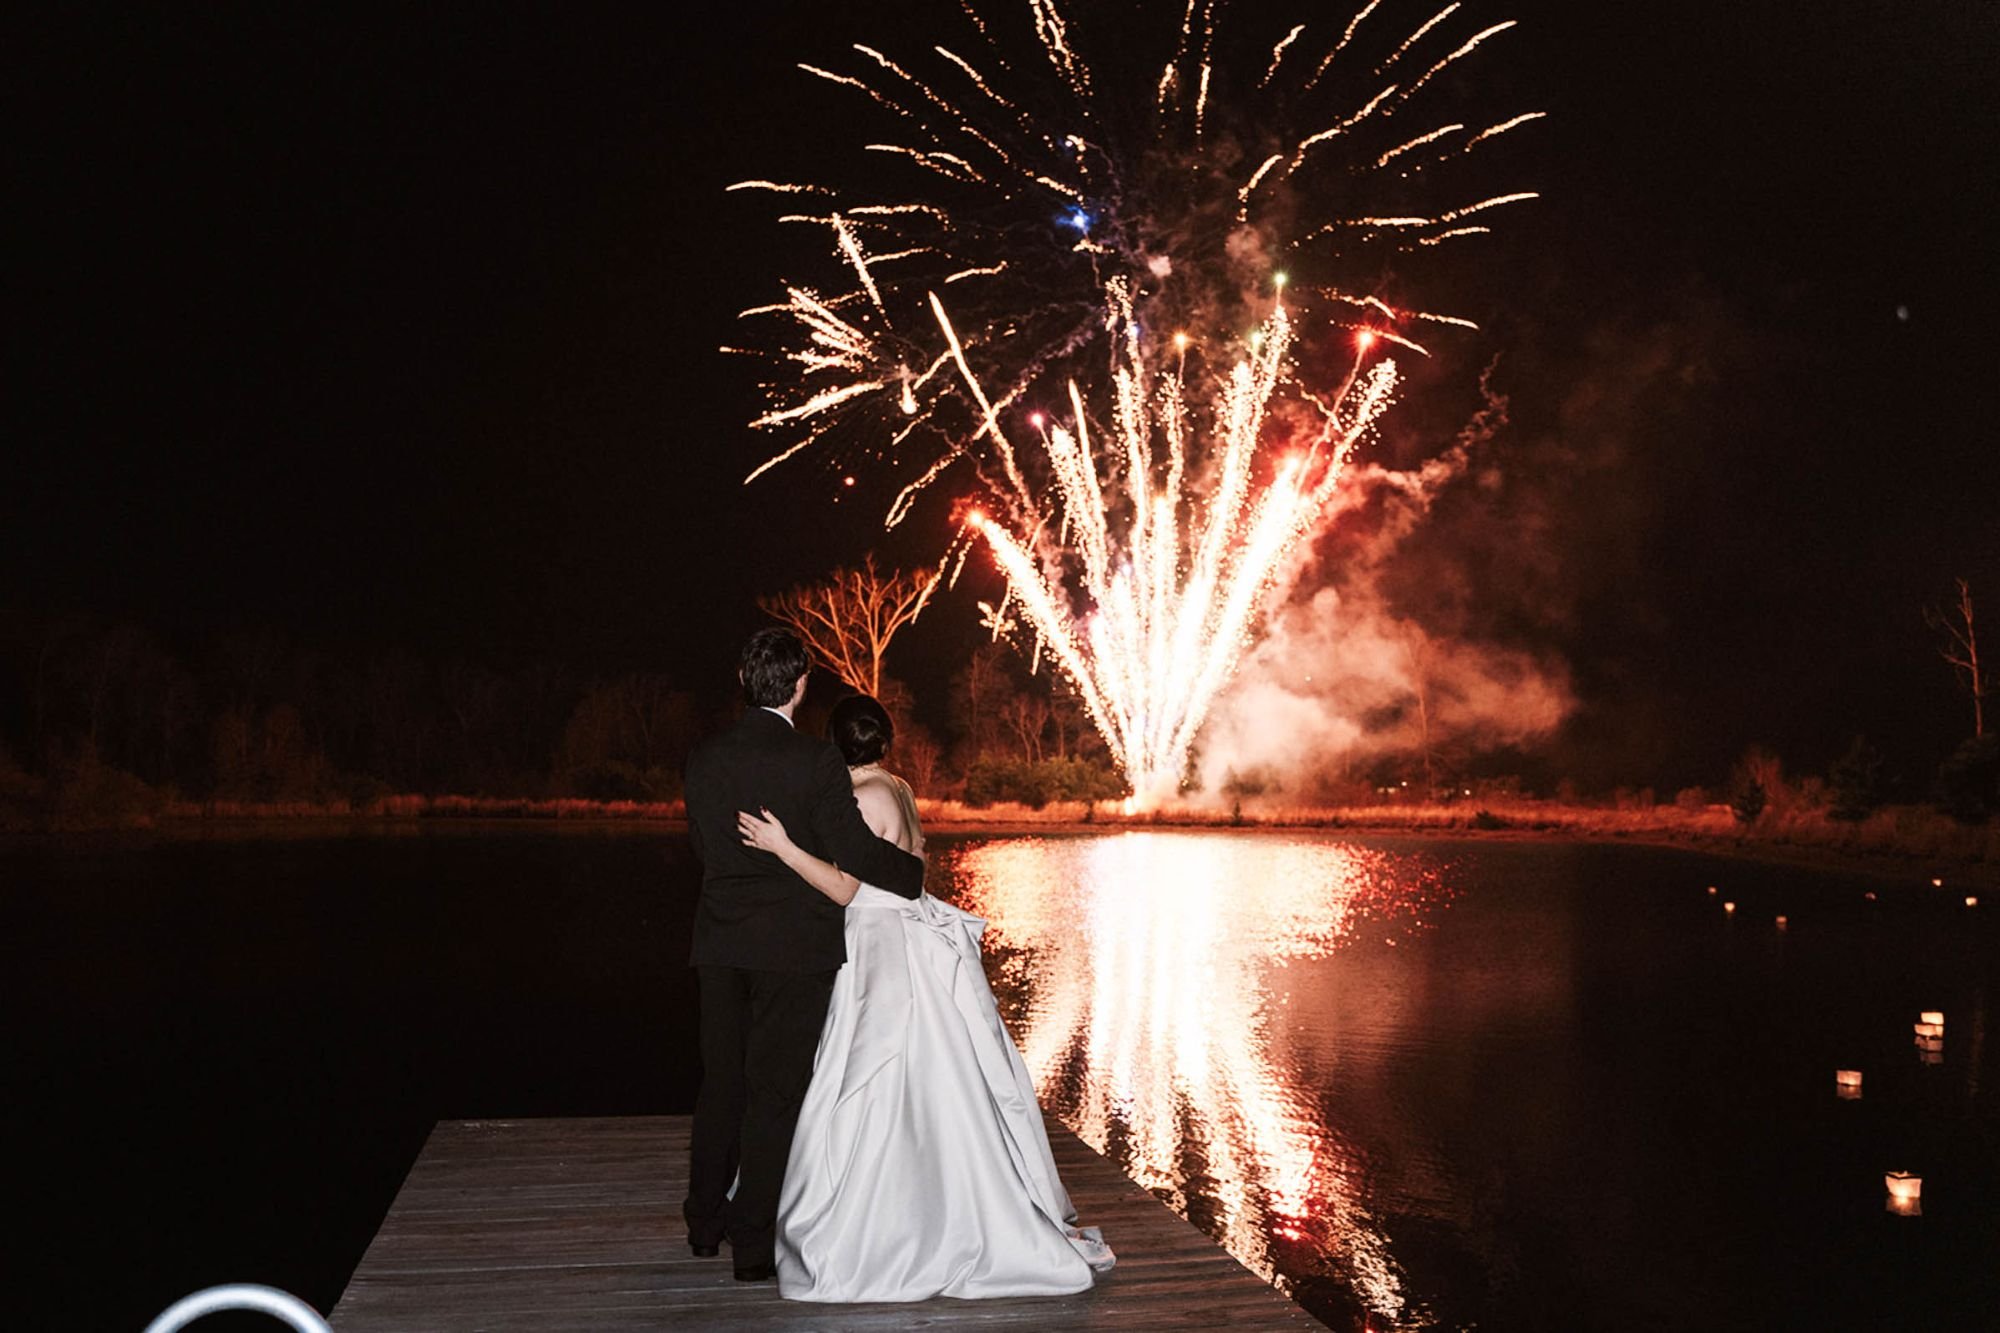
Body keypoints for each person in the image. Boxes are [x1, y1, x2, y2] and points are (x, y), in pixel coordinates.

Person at [738, 694, 1115, 1301]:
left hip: (878, 940)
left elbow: (843, 887)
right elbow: (912, 865)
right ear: (884, 741)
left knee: (876, 1073)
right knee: (936, 1074)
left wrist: (782, 845)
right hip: (911, 931)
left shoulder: (861, 797)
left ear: (834, 744)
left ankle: (889, 1222)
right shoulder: (901, 788)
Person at [680, 630, 927, 1282]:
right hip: (795, 948)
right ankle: (751, 1248)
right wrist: (912, 876)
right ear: (800, 685)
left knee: (721, 1085)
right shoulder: (816, 761)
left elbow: (703, 846)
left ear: (743, 678)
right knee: (774, 1094)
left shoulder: (704, 756)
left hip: (721, 944)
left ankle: (703, 1224)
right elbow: (854, 851)